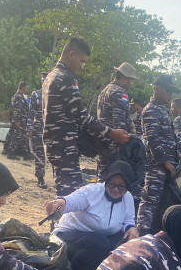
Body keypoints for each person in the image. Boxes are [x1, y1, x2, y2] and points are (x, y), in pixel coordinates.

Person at [42, 37, 130, 196]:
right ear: (71, 54)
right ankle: (60, 221)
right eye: (81, 61)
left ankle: (59, 219)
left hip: (54, 142)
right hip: (64, 144)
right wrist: (111, 133)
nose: (82, 67)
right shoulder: (66, 78)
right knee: (70, 194)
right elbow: (82, 117)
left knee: (64, 189)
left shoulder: (50, 76)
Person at [44, 161, 138, 270]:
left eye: (121, 186)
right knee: (99, 243)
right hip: (69, 235)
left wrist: (131, 228)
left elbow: (128, 220)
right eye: (112, 185)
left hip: (100, 237)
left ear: (128, 186)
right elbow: (74, 200)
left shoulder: (128, 198)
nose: (116, 189)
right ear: (106, 182)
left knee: (123, 242)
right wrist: (61, 202)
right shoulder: (92, 191)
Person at [136, 75, 181, 234]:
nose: (170, 95)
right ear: (156, 89)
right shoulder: (150, 110)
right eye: (167, 91)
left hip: (169, 165)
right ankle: (140, 236)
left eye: (172, 92)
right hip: (157, 166)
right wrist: (166, 163)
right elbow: (152, 140)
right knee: (149, 201)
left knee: (164, 202)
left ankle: (156, 235)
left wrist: (178, 154)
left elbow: (169, 138)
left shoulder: (162, 110)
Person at [95, 62, 136, 176]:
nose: (131, 83)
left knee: (103, 175)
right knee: (114, 178)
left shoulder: (106, 90)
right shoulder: (120, 93)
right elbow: (120, 123)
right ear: (125, 78)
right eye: (130, 80)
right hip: (115, 144)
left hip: (103, 139)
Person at [27, 76, 47, 188]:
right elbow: (31, 112)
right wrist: (29, 128)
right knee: (40, 153)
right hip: (39, 128)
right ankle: (40, 178)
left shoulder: (55, 95)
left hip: (52, 129)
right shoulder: (36, 95)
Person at [3, 81, 29, 159]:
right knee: (17, 136)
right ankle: (10, 153)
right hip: (20, 120)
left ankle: (26, 154)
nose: (27, 90)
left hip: (21, 120)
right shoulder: (19, 97)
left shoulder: (18, 96)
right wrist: (17, 120)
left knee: (22, 137)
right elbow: (17, 109)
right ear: (23, 87)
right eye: (26, 88)